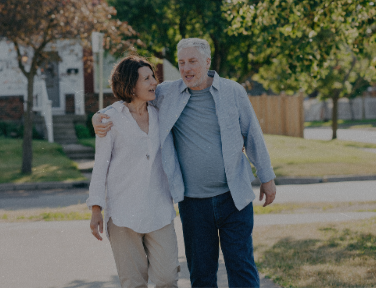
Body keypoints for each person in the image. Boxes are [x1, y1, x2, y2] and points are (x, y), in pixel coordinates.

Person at [93, 38, 277, 288]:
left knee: (242, 267)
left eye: (192, 62)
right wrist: (98, 116)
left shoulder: (233, 92)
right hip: (193, 203)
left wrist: (267, 178)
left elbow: (252, 134)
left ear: (207, 62)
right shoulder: (167, 93)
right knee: (201, 274)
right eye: (181, 63)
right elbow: (128, 102)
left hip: (235, 198)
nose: (186, 68)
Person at [86, 55, 179, 288]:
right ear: (130, 84)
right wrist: (96, 208)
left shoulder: (160, 114)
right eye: (146, 78)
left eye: (153, 77)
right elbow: (101, 165)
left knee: (168, 278)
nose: (153, 82)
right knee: (133, 283)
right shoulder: (110, 119)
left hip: (159, 210)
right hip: (123, 214)